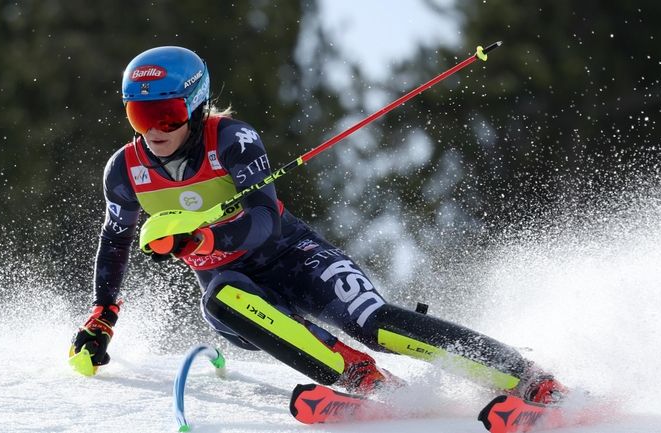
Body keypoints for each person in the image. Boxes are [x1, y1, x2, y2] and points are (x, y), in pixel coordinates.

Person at [69, 46, 566, 404]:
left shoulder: (233, 140)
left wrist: (204, 236)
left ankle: (527, 378)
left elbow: (263, 218)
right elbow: (114, 241)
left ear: (196, 108)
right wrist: (102, 316)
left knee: (376, 324)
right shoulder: (124, 170)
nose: (155, 130)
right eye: (140, 116)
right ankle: (363, 381)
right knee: (220, 296)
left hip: (296, 258)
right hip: (242, 297)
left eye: (168, 115)